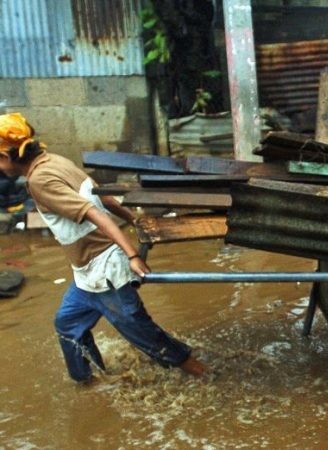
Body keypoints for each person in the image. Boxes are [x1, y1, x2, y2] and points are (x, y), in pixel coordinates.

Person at [0, 112, 207, 383]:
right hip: (86, 273)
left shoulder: (39, 180)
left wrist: (132, 254)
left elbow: (93, 212)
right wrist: (135, 221)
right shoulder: (54, 161)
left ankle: (204, 373)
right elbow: (104, 197)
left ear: (6, 157)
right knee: (68, 325)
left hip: (104, 269)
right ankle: (89, 383)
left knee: (144, 335)